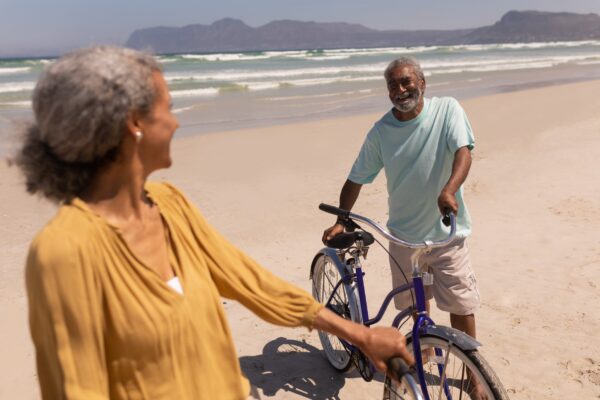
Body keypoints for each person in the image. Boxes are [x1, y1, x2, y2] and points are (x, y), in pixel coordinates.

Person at [14, 46, 413, 400]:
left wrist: (360, 335)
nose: (176, 123)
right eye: (168, 108)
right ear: (133, 123)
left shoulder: (170, 204)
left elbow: (251, 283)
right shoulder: (64, 251)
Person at [322, 56, 481, 385]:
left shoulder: (447, 109)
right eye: (392, 84)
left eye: (406, 82)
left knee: (461, 304)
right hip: (403, 236)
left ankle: (472, 376)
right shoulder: (382, 131)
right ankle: (420, 356)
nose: (400, 89)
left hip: (446, 233)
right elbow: (357, 178)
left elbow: (464, 151)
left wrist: (450, 190)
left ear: (422, 84)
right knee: (412, 307)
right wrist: (342, 219)